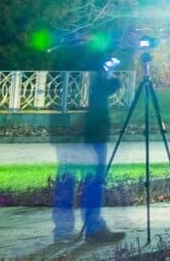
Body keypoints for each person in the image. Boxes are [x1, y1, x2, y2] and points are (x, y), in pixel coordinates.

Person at [51, 59, 122, 244]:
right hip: (91, 133)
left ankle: (64, 231)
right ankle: (93, 227)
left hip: (70, 131)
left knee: (67, 181)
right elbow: (108, 88)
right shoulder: (95, 62)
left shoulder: (67, 56)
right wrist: (110, 71)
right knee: (92, 182)